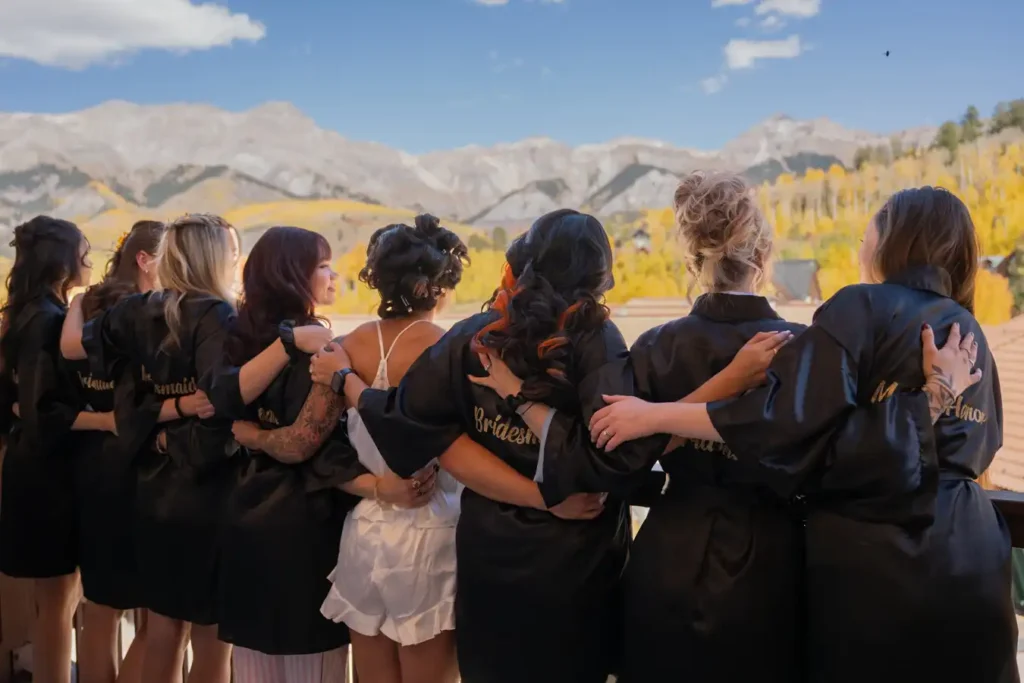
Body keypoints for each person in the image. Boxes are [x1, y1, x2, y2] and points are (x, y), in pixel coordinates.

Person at [311, 209, 774, 683]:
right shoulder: (598, 342)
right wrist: (724, 385)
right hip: (576, 565)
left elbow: (407, 422)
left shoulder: (474, 335)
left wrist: (349, 381)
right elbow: (619, 455)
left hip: (490, 556)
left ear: (520, 266)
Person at [586, 186, 1017, 682]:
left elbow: (782, 426)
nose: (861, 239)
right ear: (763, 253)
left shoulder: (858, 309)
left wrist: (655, 415)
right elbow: (986, 443)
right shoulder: (968, 331)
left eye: (868, 227)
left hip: (873, 565)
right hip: (975, 555)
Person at [59, 213, 274, 683]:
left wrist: (77, 303)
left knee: (162, 629)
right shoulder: (218, 315)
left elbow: (73, 348)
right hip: (206, 492)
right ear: (214, 258)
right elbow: (219, 408)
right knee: (213, 642)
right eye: (231, 254)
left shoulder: (138, 308)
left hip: (149, 488)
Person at [313, 214, 467, 683]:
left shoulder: (348, 345)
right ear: (435, 287)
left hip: (367, 526)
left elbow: (316, 442)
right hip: (432, 529)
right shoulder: (445, 348)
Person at [206, 226, 363, 682]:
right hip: (304, 524)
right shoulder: (320, 348)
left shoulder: (237, 333)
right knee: (313, 663)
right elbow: (301, 443)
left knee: (256, 665)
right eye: (323, 266)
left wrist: (252, 438)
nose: (333, 276)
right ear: (292, 274)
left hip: (245, 512)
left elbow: (224, 404)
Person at [0, 216, 105, 683]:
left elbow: (21, 405)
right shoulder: (47, 321)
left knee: (52, 606)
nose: (88, 259)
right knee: (59, 604)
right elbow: (43, 410)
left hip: (29, 466)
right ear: (60, 258)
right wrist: (109, 419)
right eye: (83, 250)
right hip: (49, 474)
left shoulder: (18, 315)